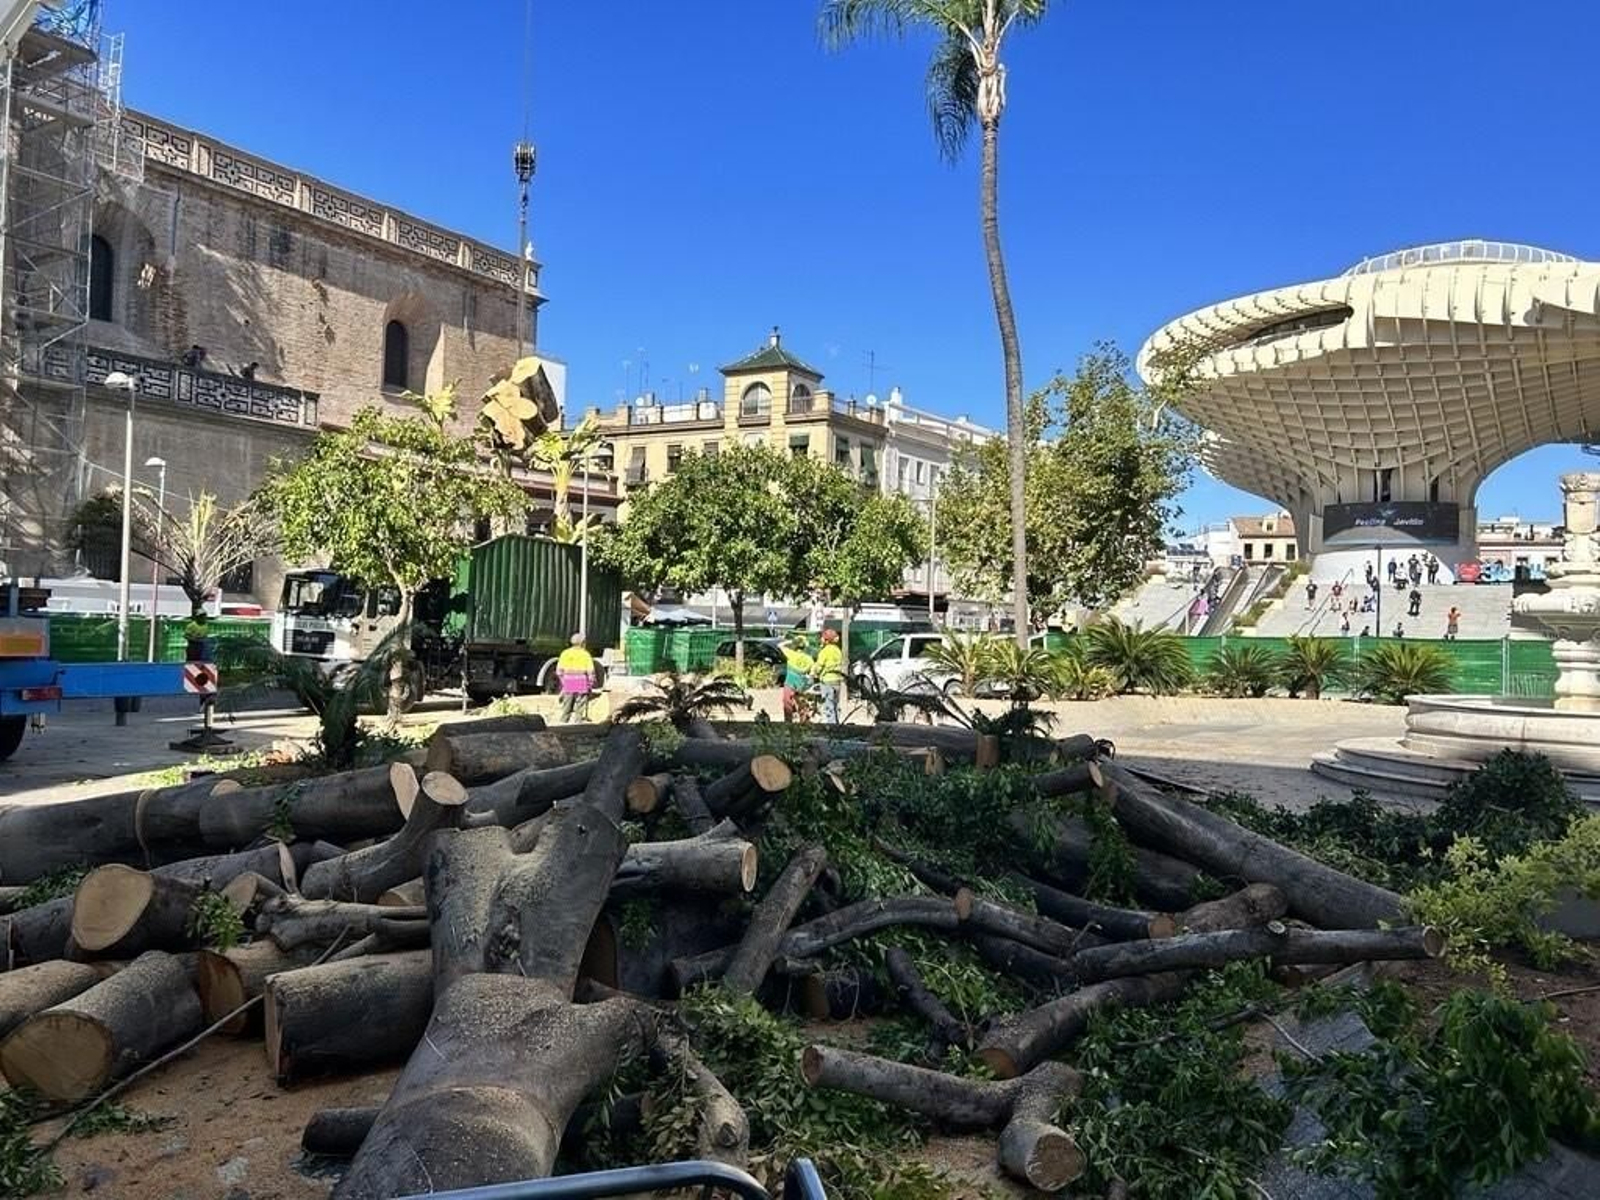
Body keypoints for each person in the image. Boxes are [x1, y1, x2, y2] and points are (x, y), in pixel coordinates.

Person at [555, 632, 596, 723]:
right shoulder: (585, 654)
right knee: (580, 705)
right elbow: (591, 672)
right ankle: (577, 723)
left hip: (569, 681)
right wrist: (590, 684)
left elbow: (559, 671)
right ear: (582, 643)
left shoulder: (565, 653)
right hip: (581, 681)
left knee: (567, 705)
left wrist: (563, 682)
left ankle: (563, 722)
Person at [812, 629, 846, 725]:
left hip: (827, 680)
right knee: (835, 704)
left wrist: (814, 673)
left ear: (826, 640)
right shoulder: (838, 651)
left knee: (828, 705)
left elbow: (819, 666)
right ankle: (837, 723)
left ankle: (831, 726)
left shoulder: (825, 651)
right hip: (837, 680)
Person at [779, 634, 814, 723]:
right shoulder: (809, 659)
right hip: (802, 684)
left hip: (790, 683)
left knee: (787, 703)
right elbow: (812, 673)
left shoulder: (791, 654)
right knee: (801, 703)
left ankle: (788, 722)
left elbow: (780, 645)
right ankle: (804, 721)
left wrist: (791, 641)